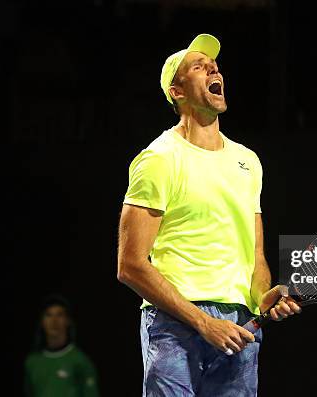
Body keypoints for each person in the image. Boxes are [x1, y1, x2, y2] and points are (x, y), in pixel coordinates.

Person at [117, 33, 301, 396]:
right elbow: (130, 265)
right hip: (174, 325)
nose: (213, 68)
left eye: (214, 65)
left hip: (240, 328)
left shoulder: (248, 161)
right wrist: (203, 323)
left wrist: (264, 295)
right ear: (177, 91)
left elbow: (254, 256)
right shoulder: (158, 160)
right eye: (198, 67)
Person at [24, 295, 99, 397]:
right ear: (42, 321)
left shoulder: (80, 361)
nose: (54, 320)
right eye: (48, 315)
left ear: (67, 320)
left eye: (60, 315)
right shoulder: (32, 362)